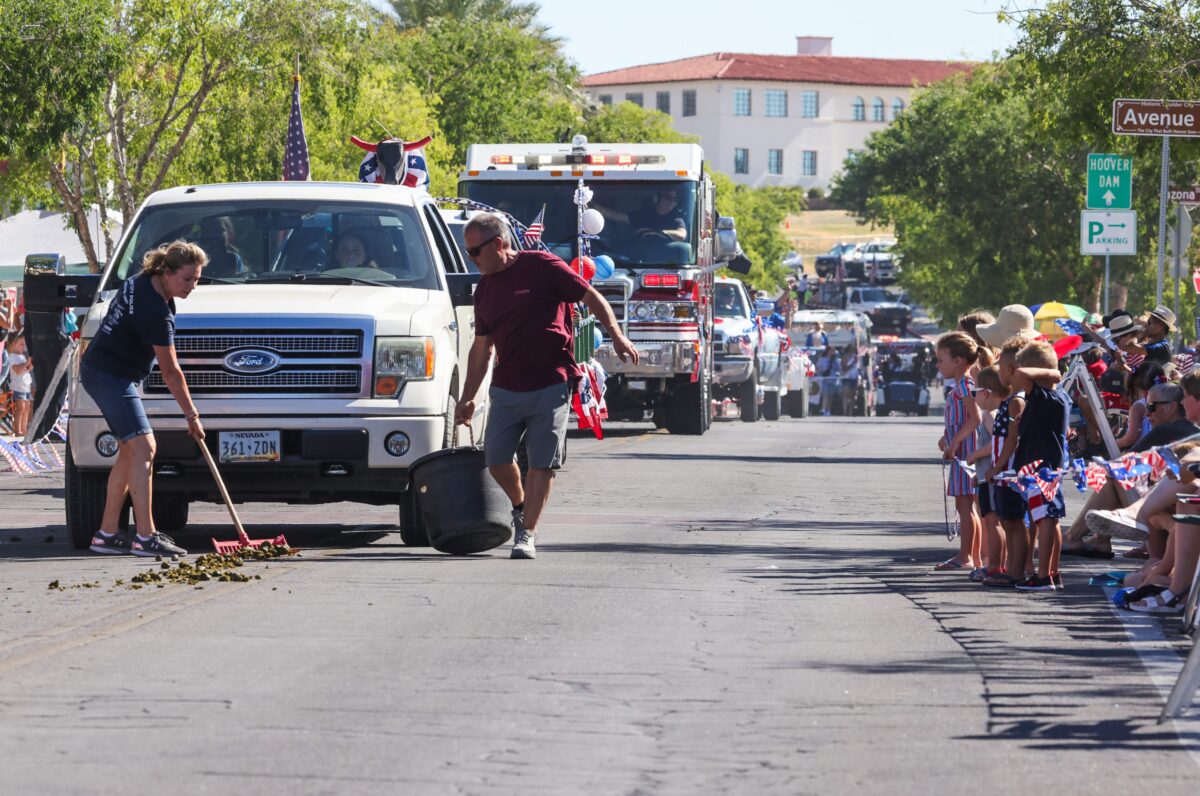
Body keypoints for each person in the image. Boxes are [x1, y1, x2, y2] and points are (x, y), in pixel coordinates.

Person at [454, 213, 637, 560]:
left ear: (498, 244)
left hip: (551, 381)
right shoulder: (486, 291)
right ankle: (521, 506)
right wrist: (467, 398)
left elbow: (590, 296)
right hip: (506, 385)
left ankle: (527, 532)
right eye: (468, 253)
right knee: (495, 458)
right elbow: (482, 349)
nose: (471, 260)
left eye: (475, 252)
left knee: (542, 463)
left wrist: (616, 335)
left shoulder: (541, 266)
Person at [82, 241, 207, 557]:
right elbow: (170, 371)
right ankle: (146, 536)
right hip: (110, 376)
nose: (193, 285)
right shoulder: (155, 310)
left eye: (197, 278)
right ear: (167, 272)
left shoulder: (141, 280)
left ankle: (107, 534)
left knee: (129, 451)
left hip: (106, 371)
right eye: (188, 278)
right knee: (145, 447)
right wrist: (191, 416)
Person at [1009, 340, 1071, 592]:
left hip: (1042, 469)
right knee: (1050, 519)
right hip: (1041, 468)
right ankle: (1052, 572)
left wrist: (1052, 372)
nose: (1016, 375)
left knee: (1046, 519)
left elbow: (1023, 374)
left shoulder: (1048, 395)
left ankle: (1044, 575)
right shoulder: (1051, 398)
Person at [935, 331, 982, 573]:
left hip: (966, 452)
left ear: (958, 361)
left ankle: (966, 556)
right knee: (966, 505)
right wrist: (947, 437)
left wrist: (955, 444)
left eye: (941, 359)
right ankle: (973, 556)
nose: (938, 365)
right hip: (962, 450)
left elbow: (975, 418)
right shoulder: (960, 386)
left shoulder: (965, 385)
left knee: (965, 506)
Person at [984, 337, 1029, 585]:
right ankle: (1012, 569)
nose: (998, 371)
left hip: (1010, 473)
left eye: (1000, 366)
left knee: (1014, 521)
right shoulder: (1011, 400)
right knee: (1007, 520)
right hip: (1004, 473)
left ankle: (1016, 571)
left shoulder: (1016, 402)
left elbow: (1013, 440)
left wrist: (997, 466)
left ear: (1011, 370)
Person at [969, 366, 1005, 583]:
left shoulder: (990, 415)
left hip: (990, 478)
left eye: (975, 392)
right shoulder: (998, 413)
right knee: (993, 522)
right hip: (986, 476)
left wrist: (975, 454)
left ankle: (994, 564)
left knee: (993, 523)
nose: (974, 397)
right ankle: (998, 563)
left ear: (985, 393)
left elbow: (995, 444)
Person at [7, 335, 33, 437]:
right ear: (13, 344)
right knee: (20, 407)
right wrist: (27, 363)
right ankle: (17, 430)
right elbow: (17, 370)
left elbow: (26, 369)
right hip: (18, 387)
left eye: (24, 345)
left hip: (26, 386)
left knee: (27, 407)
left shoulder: (22, 356)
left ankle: (23, 428)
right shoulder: (12, 357)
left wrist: (31, 364)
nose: (23, 347)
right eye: (21, 344)